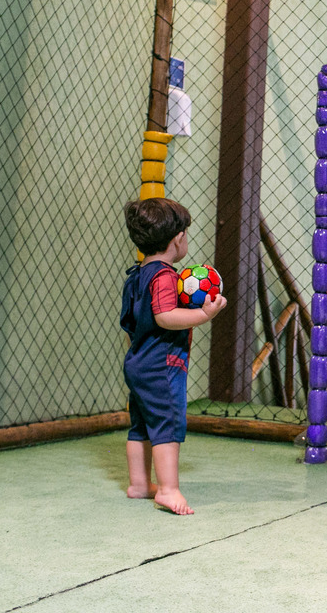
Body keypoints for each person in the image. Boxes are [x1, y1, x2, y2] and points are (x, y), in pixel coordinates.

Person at [121, 197, 226, 515]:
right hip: (161, 364)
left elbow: (130, 321)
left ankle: (140, 484)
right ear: (178, 238)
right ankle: (168, 490)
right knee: (167, 422)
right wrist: (204, 315)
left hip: (138, 361)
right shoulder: (165, 276)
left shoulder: (138, 274)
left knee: (141, 424)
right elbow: (165, 315)